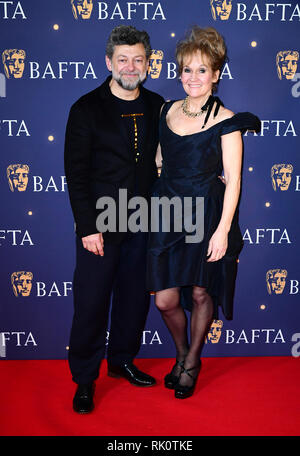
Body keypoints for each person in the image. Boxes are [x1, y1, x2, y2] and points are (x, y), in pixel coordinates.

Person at [146, 26, 260, 399]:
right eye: (186, 69)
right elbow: (160, 160)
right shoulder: (166, 110)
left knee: (198, 292)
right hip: (167, 211)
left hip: (208, 212)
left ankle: (192, 361)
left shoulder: (227, 121)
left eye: (201, 70)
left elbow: (234, 180)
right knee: (164, 298)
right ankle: (181, 352)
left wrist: (223, 230)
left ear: (215, 74)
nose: (192, 77)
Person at [64, 25, 164, 413]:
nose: (130, 66)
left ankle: (122, 360)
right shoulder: (86, 108)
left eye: (138, 59)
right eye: (123, 59)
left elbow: (173, 157)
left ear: (148, 64)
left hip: (144, 220)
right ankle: (85, 380)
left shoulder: (158, 105)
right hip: (100, 225)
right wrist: (87, 226)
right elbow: (76, 172)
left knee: (133, 300)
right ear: (109, 62)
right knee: (90, 303)